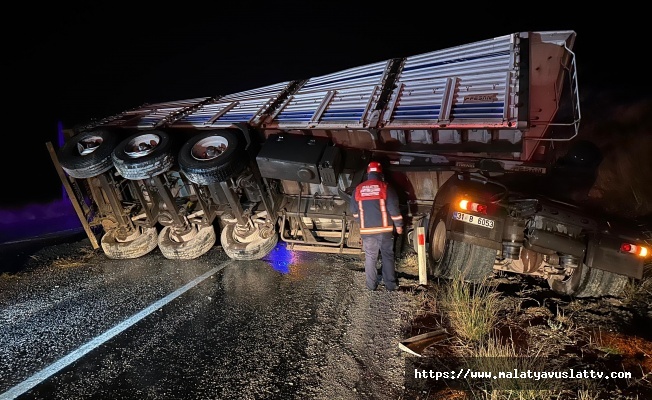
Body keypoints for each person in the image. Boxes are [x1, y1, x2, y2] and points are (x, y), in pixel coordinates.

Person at [349, 161, 403, 291]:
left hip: (367, 231)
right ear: (380, 173)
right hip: (384, 231)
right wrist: (399, 225)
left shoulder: (358, 189)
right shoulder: (385, 187)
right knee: (387, 256)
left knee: (370, 257)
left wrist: (361, 223)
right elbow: (394, 210)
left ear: (368, 173)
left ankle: (371, 285)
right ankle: (391, 285)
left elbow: (354, 212)